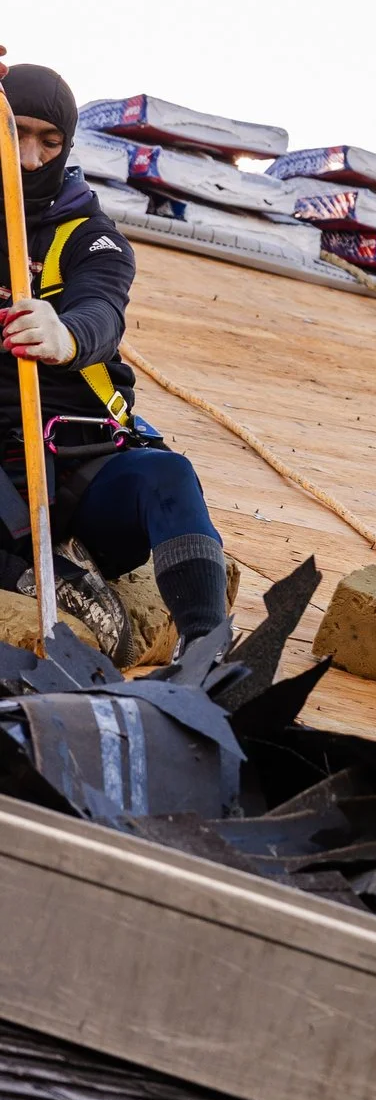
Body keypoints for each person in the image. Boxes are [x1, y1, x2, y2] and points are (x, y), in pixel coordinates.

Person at [0, 63, 227, 661]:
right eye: (15, 134)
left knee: (168, 475)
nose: (29, 159)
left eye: (48, 142)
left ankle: (206, 651)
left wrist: (64, 335)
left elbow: (102, 311)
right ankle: (39, 571)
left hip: (76, 461)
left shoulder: (90, 235)